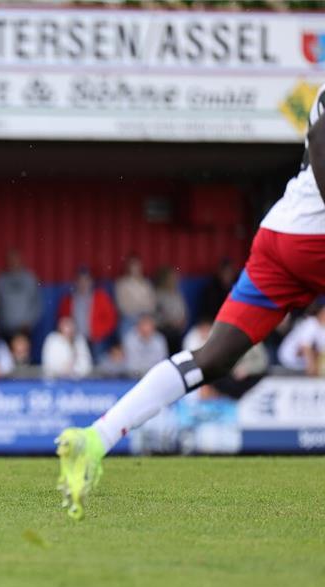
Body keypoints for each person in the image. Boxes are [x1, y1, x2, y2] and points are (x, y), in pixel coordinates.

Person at [55, 84, 325, 520]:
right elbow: (320, 139)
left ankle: (94, 439)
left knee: (212, 358)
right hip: (314, 238)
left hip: (280, 234)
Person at [58, 268, 117, 354]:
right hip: (76, 339)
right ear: (76, 282)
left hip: (96, 340)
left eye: (86, 280)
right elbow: (63, 320)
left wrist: (99, 333)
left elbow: (111, 318)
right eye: (80, 280)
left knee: (98, 364)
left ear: (91, 281)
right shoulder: (68, 300)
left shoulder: (100, 297)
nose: (83, 283)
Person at [0, 249, 42, 338]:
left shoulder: (29, 278)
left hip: (25, 328)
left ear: (21, 260)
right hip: (6, 328)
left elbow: (37, 302)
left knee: (23, 351)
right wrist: (2, 321)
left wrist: (30, 321)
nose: (13, 263)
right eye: (11, 260)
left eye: (16, 260)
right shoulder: (1, 279)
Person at [114, 254, 156, 337]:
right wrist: (140, 307)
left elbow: (152, 304)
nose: (135, 268)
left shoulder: (146, 283)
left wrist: (141, 310)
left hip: (146, 318)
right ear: (128, 267)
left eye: (137, 265)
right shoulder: (122, 284)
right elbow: (122, 307)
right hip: (130, 319)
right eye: (133, 265)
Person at [277, 305, 325, 375]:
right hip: (289, 361)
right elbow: (305, 347)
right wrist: (312, 367)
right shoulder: (311, 323)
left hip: (301, 364)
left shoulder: (322, 328)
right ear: (321, 313)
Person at [154, 267, 189, 354]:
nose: (174, 280)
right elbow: (156, 316)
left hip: (178, 328)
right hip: (165, 329)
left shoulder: (177, 292)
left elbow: (184, 309)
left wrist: (183, 320)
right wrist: (170, 322)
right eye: (171, 278)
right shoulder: (158, 294)